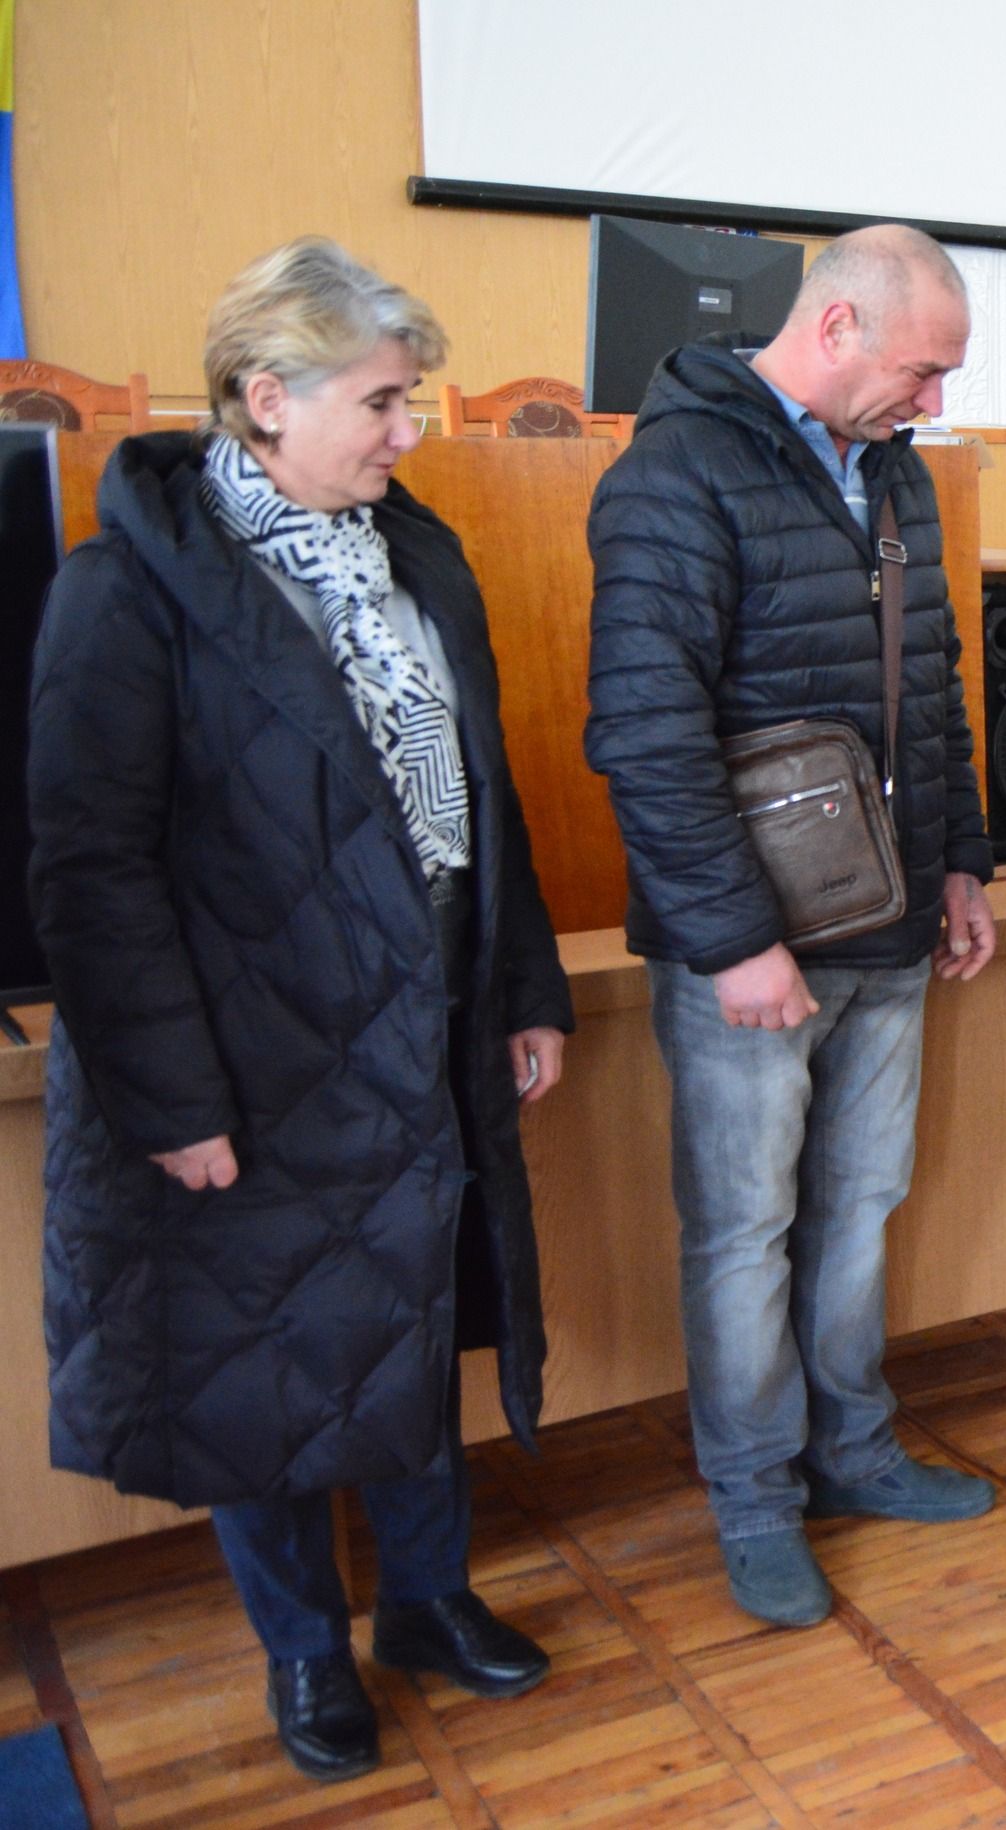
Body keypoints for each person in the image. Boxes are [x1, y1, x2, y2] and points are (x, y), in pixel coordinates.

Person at [29, 238, 573, 1783]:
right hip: (247, 1055)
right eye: (383, 402)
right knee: (260, 1361)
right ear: (266, 397)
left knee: (407, 1319)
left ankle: (426, 1601)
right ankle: (305, 1649)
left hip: (426, 1025)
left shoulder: (419, 559)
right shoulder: (128, 588)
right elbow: (89, 868)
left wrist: (522, 986)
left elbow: (483, 800)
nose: (411, 430)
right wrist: (170, 1099)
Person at [584, 224, 998, 1629]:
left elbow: (932, 682)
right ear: (833, 330)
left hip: (892, 924)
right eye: (921, 372)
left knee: (861, 1206)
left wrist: (960, 863)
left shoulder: (897, 471)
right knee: (744, 1232)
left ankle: (855, 1451)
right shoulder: (674, 474)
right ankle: (756, 1500)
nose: (933, 403)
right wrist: (733, 938)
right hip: (752, 951)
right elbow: (645, 733)